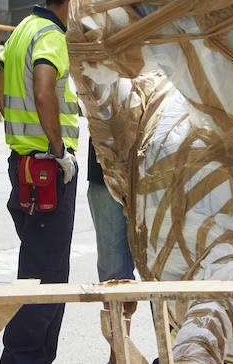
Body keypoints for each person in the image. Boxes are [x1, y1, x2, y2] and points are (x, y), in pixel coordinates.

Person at [0, 0, 98, 364]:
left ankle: (35, 357)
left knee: (46, 268)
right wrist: (55, 148)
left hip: (24, 165)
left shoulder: (22, 29)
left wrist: (21, 135)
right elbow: (42, 89)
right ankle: (22, 358)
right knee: (45, 275)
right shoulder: (52, 35)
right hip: (48, 170)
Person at [88, 142, 138, 364]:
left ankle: (175, 351)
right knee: (114, 273)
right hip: (105, 170)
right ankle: (118, 356)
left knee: (167, 269)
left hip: (159, 168)